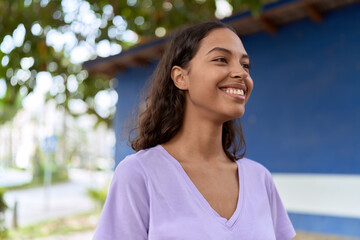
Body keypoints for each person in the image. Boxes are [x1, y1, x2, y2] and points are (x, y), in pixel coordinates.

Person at [93, 21, 296, 240]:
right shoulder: (139, 174)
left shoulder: (260, 179)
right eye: (221, 59)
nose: (241, 73)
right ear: (181, 77)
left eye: (245, 65)